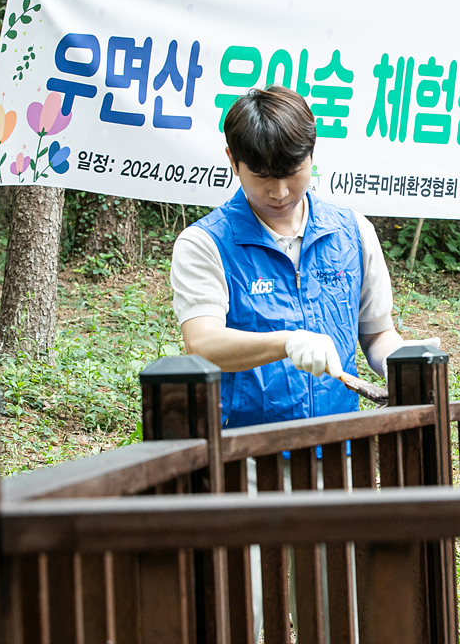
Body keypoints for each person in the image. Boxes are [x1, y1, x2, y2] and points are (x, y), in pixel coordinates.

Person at [170, 86, 437, 427]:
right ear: (233, 161)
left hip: (340, 441)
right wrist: (287, 342)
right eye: (262, 176)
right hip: (248, 447)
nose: (279, 192)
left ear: (311, 154)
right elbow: (203, 343)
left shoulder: (353, 232)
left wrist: (399, 361)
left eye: (292, 172)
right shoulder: (206, 243)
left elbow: (376, 334)